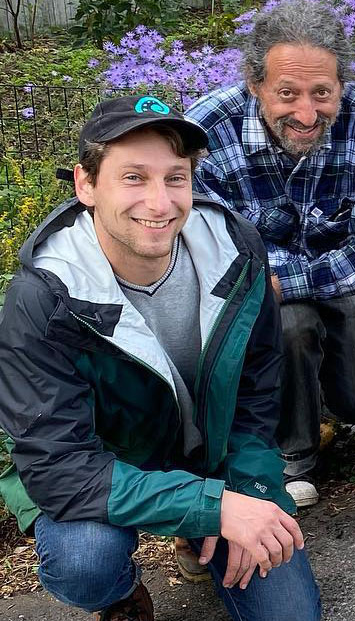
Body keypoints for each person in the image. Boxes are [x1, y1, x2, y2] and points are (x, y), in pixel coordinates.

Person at [0, 95, 320, 621]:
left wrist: (254, 492)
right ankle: (122, 593)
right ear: (85, 185)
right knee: (84, 563)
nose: (160, 201)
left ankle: (200, 540)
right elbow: (60, 469)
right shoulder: (44, 297)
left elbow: (256, 397)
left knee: (291, 614)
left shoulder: (237, 252)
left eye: (176, 178)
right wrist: (212, 506)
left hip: (207, 457)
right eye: (133, 177)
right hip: (101, 468)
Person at [186, 0, 355, 508]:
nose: (307, 113)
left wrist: (290, 278)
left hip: (338, 273)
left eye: (322, 93)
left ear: (341, 87)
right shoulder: (204, 131)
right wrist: (268, 284)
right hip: (256, 292)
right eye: (287, 93)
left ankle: (317, 391)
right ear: (255, 84)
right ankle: (293, 453)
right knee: (290, 326)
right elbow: (208, 248)